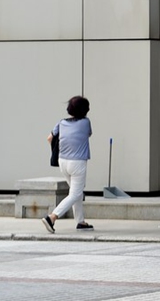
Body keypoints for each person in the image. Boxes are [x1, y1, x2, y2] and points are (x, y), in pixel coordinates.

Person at [42, 96, 94, 233]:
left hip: (62, 161)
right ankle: (52, 217)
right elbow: (89, 134)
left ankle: (80, 222)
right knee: (75, 193)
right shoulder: (86, 122)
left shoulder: (61, 123)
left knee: (75, 192)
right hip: (77, 163)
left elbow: (49, 138)